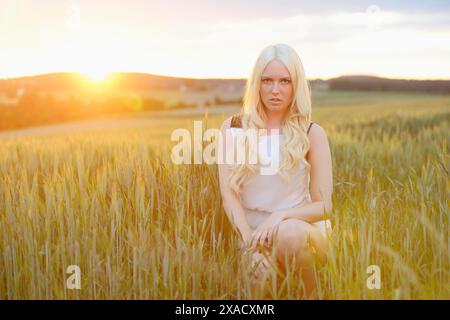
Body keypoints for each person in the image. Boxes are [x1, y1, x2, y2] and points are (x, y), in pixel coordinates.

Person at [218, 43, 333, 299]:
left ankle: (310, 295)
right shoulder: (233, 128)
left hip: (299, 228)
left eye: (285, 81)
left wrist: (280, 216)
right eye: (267, 80)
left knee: (289, 234)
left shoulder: (311, 133)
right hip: (251, 232)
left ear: (296, 85)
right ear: (256, 84)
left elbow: (324, 207)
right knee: (259, 280)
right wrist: (250, 245)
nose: (275, 90)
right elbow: (229, 196)